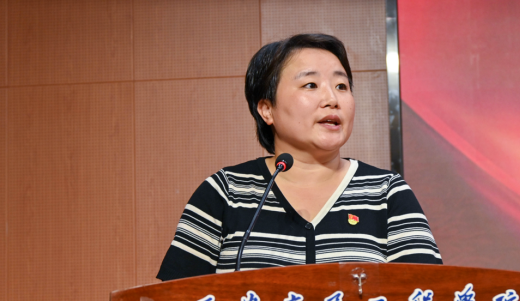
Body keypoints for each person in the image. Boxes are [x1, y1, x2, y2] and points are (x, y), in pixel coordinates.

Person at [157, 34, 442, 281]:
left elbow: (429, 300)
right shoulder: (226, 192)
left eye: (341, 86)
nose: (332, 99)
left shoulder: (386, 193)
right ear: (267, 109)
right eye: (311, 85)